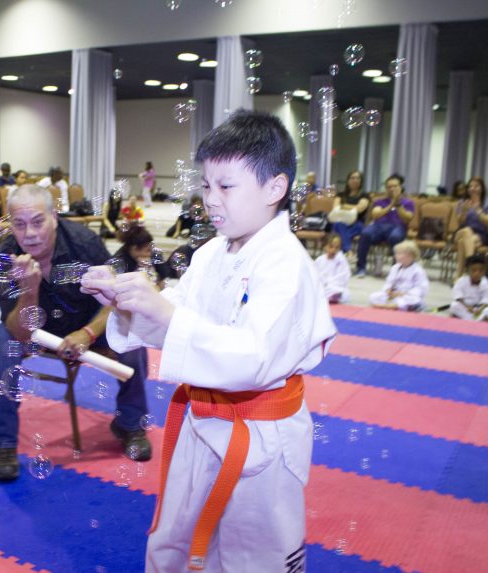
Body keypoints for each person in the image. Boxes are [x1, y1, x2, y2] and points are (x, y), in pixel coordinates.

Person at [81, 110, 336, 572]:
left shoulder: (286, 264)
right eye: (206, 185)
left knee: (250, 555)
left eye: (226, 186)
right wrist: (126, 303)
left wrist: (165, 314)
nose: (211, 199)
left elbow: (254, 357)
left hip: (260, 438)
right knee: (177, 539)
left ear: (275, 188)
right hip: (201, 421)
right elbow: (176, 318)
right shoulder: (213, 252)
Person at [0, 184, 152, 481]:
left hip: (87, 324)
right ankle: (3, 443)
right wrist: (29, 290)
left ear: (54, 218)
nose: (29, 234)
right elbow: (19, 332)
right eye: (19, 224)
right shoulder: (4, 258)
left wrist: (87, 333)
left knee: (131, 333)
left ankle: (130, 424)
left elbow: (114, 302)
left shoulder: (84, 243)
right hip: (35, 332)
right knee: (2, 343)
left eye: (38, 222)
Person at [355, 174, 415, 277]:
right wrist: (391, 204)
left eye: (395, 186)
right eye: (389, 187)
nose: (392, 189)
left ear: (400, 187)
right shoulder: (380, 201)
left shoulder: (408, 202)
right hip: (378, 226)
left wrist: (398, 204)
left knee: (396, 237)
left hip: (397, 227)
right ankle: (361, 268)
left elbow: (407, 218)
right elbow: (376, 215)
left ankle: (396, 270)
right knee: (365, 233)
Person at [453, 177, 488, 278]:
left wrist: (478, 209)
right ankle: (472, 265)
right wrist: (464, 211)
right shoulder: (462, 202)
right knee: (466, 230)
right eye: (470, 186)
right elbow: (460, 222)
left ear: (482, 188)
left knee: (463, 242)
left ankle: (458, 277)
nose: (473, 188)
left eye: (476, 186)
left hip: (481, 235)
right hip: (461, 232)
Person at [368, 240, 429, 311]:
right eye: (396, 253)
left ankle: (387, 306)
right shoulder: (395, 267)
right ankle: (389, 306)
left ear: (410, 255)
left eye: (399, 253)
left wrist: (403, 293)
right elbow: (389, 282)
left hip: (406, 295)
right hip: (394, 294)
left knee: (412, 300)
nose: (396, 256)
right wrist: (388, 290)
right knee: (374, 296)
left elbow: (421, 288)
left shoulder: (418, 271)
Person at [330, 170, 370, 253]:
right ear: (348, 180)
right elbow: (335, 207)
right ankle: (348, 251)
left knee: (339, 232)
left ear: (361, 181)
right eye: (352, 178)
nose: (355, 180)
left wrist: (343, 206)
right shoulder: (340, 195)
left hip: (357, 223)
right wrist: (353, 207)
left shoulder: (364, 196)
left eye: (357, 178)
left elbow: (360, 209)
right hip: (341, 222)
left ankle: (343, 252)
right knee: (338, 225)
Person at [450, 254, 488, 321]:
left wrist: (480, 309)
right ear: (468, 270)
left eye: (480, 271)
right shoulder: (461, 281)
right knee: (454, 305)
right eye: (473, 270)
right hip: (465, 307)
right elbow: (458, 297)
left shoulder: (485, 283)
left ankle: (479, 321)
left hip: (478, 309)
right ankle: (468, 320)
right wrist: (467, 307)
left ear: (484, 271)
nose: (477, 273)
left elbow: (486, 299)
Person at [314, 233, 350, 303]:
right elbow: (315, 275)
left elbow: (343, 277)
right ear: (325, 246)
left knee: (344, 294)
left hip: (336, 287)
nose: (334, 250)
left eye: (337, 247)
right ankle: (327, 296)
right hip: (323, 286)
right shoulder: (319, 260)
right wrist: (322, 282)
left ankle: (333, 297)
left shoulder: (341, 260)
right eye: (331, 246)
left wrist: (328, 282)